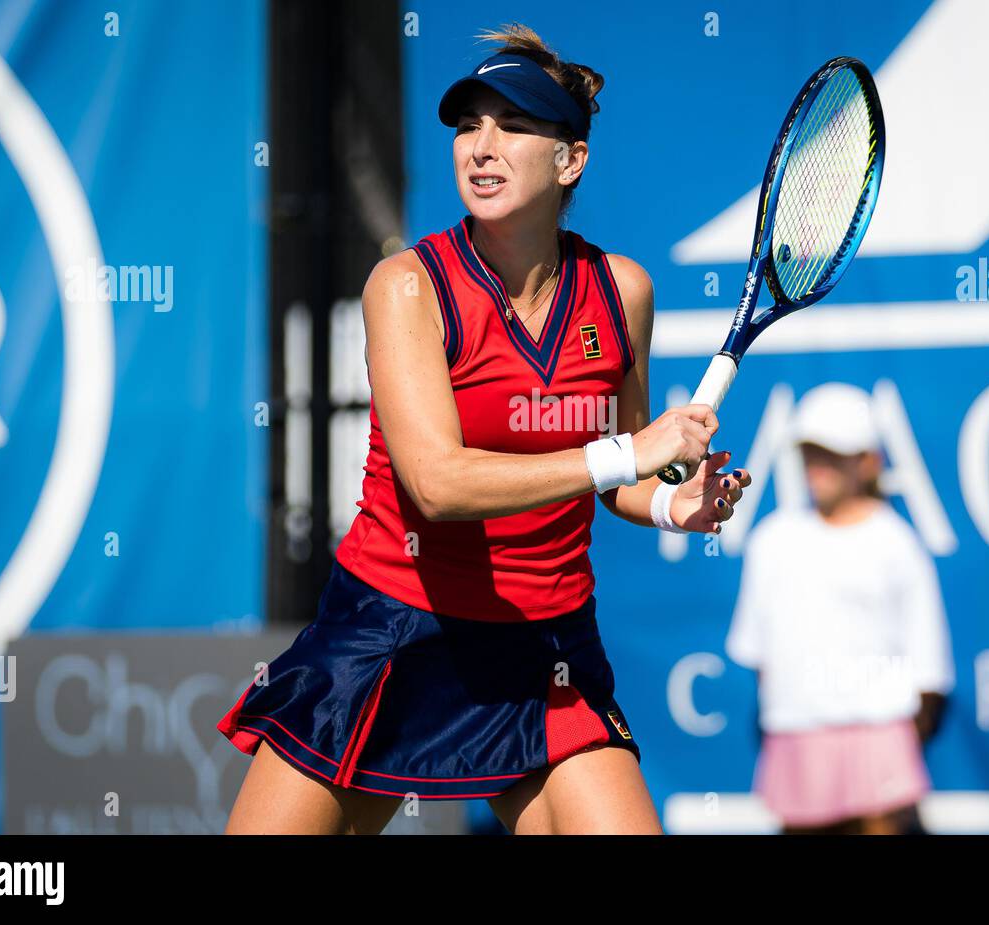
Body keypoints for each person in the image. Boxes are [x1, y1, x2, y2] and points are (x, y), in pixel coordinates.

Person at [218, 23, 753, 835]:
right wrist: (625, 455)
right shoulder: (405, 287)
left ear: (571, 159)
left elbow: (631, 477)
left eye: (515, 124)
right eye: (470, 124)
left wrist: (678, 503)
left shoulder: (621, 291)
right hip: (391, 628)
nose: (482, 145)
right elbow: (439, 484)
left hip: (547, 647)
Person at [725, 383, 953, 835]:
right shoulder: (771, 540)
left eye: (833, 453)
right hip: (795, 738)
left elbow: (930, 672)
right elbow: (759, 657)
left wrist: (891, 745)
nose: (818, 466)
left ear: (869, 462)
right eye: (811, 452)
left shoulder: (898, 544)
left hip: (880, 737)